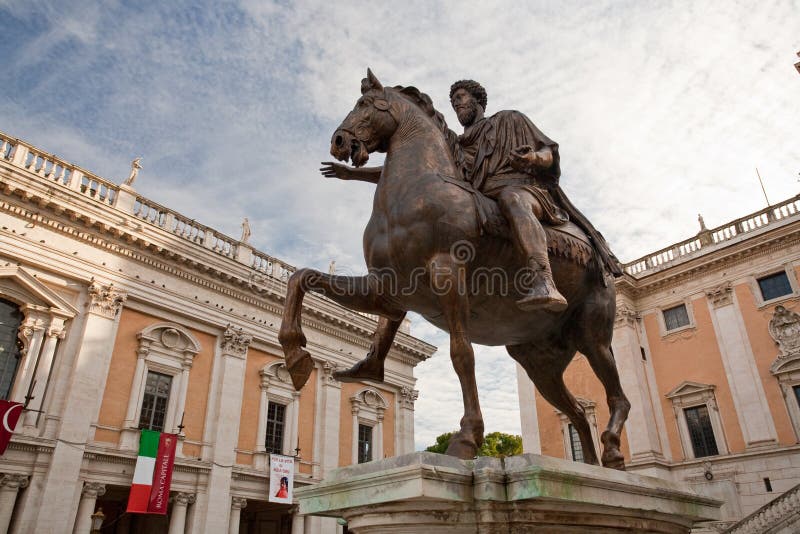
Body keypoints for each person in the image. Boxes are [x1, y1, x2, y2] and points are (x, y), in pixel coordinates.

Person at [447, 80, 623, 310]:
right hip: (482, 197)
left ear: (477, 100)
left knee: (512, 199)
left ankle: (543, 278)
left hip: (524, 190)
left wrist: (532, 158)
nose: (456, 104)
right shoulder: (457, 146)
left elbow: (547, 152)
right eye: (453, 102)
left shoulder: (509, 119)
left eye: (460, 97)